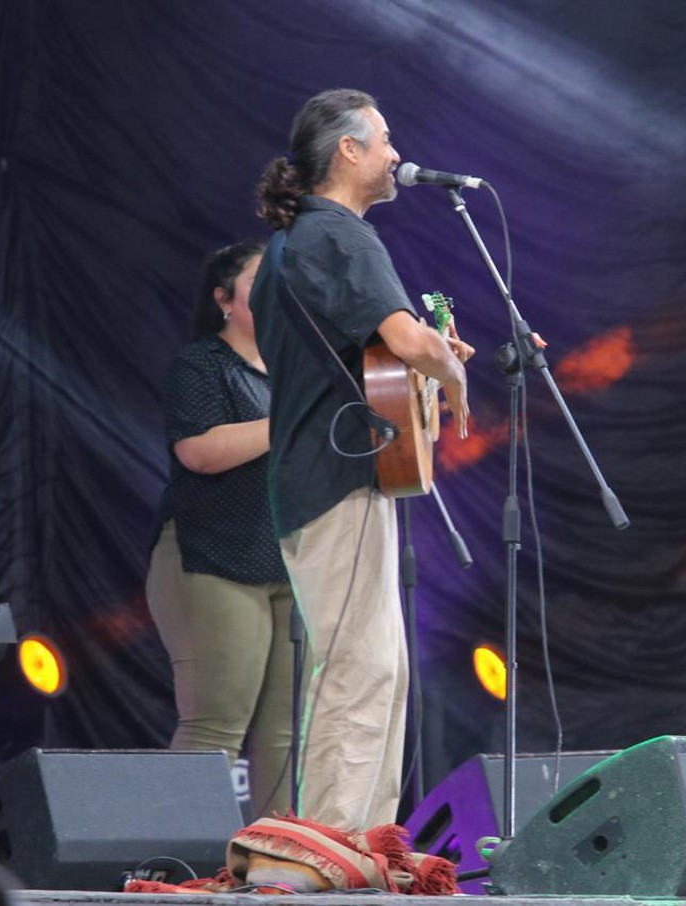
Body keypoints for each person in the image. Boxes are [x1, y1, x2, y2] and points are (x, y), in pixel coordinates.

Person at [247, 88, 472, 831]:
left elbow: (374, 354)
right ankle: (333, 846)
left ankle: (362, 846)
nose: (397, 155)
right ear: (347, 150)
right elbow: (408, 343)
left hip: (333, 476)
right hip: (333, 477)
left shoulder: (306, 239)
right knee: (356, 667)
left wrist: (428, 360)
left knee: (380, 667)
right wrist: (452, 372)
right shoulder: (339, 235)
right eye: (384, 140)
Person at [144, 239, 302, 820]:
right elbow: (201, 452)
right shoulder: (201, 365)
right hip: (212, 557)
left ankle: (274, 861)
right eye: (262, 279)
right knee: (215, 725)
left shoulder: (295, 370)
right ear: (224, 299)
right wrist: (295, 416)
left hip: (288, 561)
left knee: (285, 738)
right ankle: (178, 865)